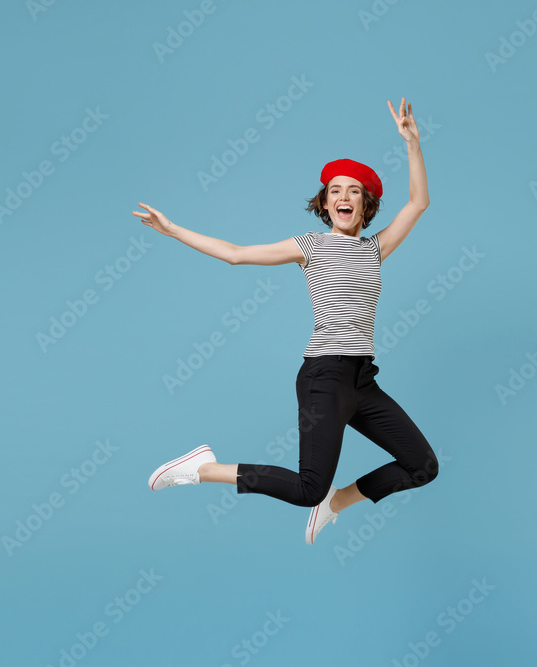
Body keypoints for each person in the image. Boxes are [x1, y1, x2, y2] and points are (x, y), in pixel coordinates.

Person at [137, 98, 438, 544]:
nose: (343, 196)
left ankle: (335, 504)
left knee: (422, 466)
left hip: (362, 379)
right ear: (324, 202)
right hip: (325, 376)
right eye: (335, 190)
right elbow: (237, 255)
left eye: (354, 191)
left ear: (366, 204)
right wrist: (175, 229)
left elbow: (418, 203)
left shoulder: (375, 249)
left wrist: (413, 144)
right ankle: (202, 468)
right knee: (305, 488)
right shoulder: (311, 245)